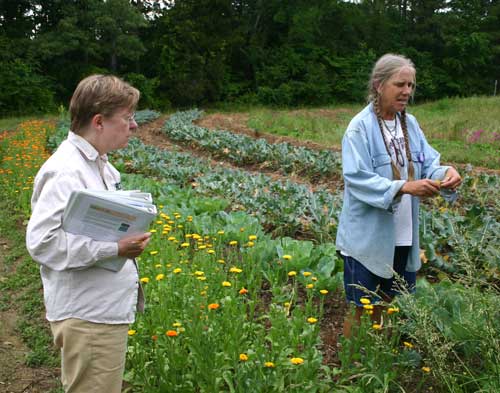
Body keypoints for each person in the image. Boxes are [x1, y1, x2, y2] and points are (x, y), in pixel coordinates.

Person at [26, 74, 151, 392]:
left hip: (99, 312)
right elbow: (43, 242)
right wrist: (115, 249)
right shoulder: (66, 171)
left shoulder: (99, 166)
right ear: (99, 121)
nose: (133, 125)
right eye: (127, 117)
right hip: (89, 317)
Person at [335, 54, 462, 338]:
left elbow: (428, 162)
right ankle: (349, 364)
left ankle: (376, 358)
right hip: (367, 236)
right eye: (400, 84)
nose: (407, 91)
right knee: (362, 305)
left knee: (388, 301)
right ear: (379, 85)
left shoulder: (410, 124)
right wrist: (404, 187)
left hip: (401, 233)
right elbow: (357, 178)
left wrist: (446, 174)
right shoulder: (360, 127)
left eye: (411, 85)